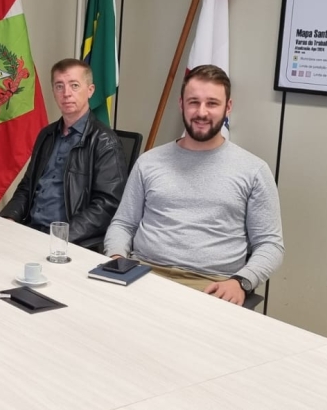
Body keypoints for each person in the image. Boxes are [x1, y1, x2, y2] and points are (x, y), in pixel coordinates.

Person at [103, 65, 284, 305]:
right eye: (193, 102)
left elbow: (270, 245)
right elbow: (124, 224)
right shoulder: (149, 162)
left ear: (228, 107)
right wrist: (116, 258)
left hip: (211, 284)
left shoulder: (254, 170)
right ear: (181, 104)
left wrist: (241, 282)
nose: (201, 112)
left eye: (212, 103)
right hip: (142, 274)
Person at [0, 58, 127, 245]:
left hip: (69, 241)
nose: (66, 93)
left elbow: (106, 206)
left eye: (74, 85)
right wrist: (10, 217)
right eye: (59, 86)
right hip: (31, 230)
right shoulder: (47, 135)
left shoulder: (105, 142)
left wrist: (60, 237)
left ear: (90, 91)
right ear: (54, 92)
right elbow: (27, 187)